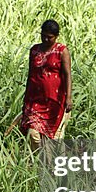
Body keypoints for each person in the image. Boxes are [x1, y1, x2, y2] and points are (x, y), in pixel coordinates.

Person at [20, 19, 72, 150]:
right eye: (43, 36)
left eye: (50, 37)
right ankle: (39, 159)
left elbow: (67, 75)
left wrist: (69, 98)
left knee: (54, 139)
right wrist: (26, 99)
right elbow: (31, 75)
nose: (46, 39)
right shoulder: (34, 50)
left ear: (56, 36)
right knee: (33, 134)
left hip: (55, 102)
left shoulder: (61, 51)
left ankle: (54, 167)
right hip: (36, 101)